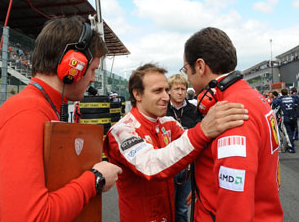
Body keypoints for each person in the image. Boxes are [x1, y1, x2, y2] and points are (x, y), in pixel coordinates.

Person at [0, 16, 122, 222]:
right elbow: (30, 218)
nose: (93, 78)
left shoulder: (44, 106)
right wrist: (95, 179)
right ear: (71, 66)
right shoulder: (27, 113)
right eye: (92, 70)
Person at [103, 63, 249, 222]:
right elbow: (151, 166)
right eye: (158, 91)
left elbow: (199, 150)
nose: (166, 97)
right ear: (137, 94)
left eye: (166, 90)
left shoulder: (168, 122)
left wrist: (201, 184)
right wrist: (202, 131)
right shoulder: (121, 131)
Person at [182, 27, 283, 222]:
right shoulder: (253, 98)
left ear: (200, 66)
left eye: (186, 70)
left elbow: (236, 200)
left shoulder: (230, 110)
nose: (188, 78)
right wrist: (205, 188)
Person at [166, 74, 201, 222]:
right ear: (169, 91)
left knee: (182, 209)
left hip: (188, 167)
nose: (180, 92)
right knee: (167, 207)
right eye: (176, 89)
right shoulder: (162, 109)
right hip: (168, 165)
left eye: (183, 88)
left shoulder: (195, 110)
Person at [273, 88, 298, 153]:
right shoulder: (293, 98)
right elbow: (296, 106)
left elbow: (275, 107)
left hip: (286, 117)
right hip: (294, 117)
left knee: (287, 132)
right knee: (292, 131)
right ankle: (291, 142)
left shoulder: (279, 100)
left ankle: (291, 147)